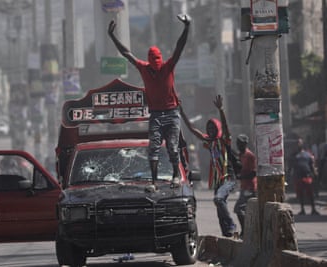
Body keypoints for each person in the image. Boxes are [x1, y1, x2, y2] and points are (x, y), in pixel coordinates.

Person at [107, 14, 190, 190]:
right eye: (154, 64)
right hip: (156, 114)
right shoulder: (143, 68)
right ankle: (153, 182)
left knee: (173, 148)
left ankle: (175, 175)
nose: (156, 66)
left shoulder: (168, 66)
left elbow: (179, 47)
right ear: (149, 62)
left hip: (172, 112)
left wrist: (187, 27)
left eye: (158, 63)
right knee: (153, 148)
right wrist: (112, 36)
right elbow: (126, 53)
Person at [179, 95, 237, 237]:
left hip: (228, 178)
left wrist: (221, 110)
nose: (210, 130)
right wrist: (181, 111)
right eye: (208, 127)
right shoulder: (209, 142)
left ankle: (231, 224)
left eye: (213, 127)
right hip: (218, 180)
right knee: (219, 206)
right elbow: (192, 129)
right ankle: (227, 233)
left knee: (218, 199)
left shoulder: (225, 140)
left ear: (217, 128)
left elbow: (226, 127)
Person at [233, 134, 257, 238]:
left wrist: (242, 177)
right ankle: (248, 231)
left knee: (239, 209)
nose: (239, 146)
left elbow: (254, 172)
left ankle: (246, 230)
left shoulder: (250, 155)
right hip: (244, 187)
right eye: (238, 144)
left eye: (241, 144)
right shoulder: (240, 155)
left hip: (250, 187)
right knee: (245, 210)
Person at [289, 138, 320, 215]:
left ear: (302, 144)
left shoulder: (308, 154)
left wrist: (315, 173)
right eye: (297, 143)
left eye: (299, 143)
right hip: (298, 177)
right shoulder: (293, 155)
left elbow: (312, 165)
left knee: (311, 194)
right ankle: (302, 209)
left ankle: (313, 209)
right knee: (300, 194)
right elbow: (291, 167)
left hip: (307, 176)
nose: (298, 144)